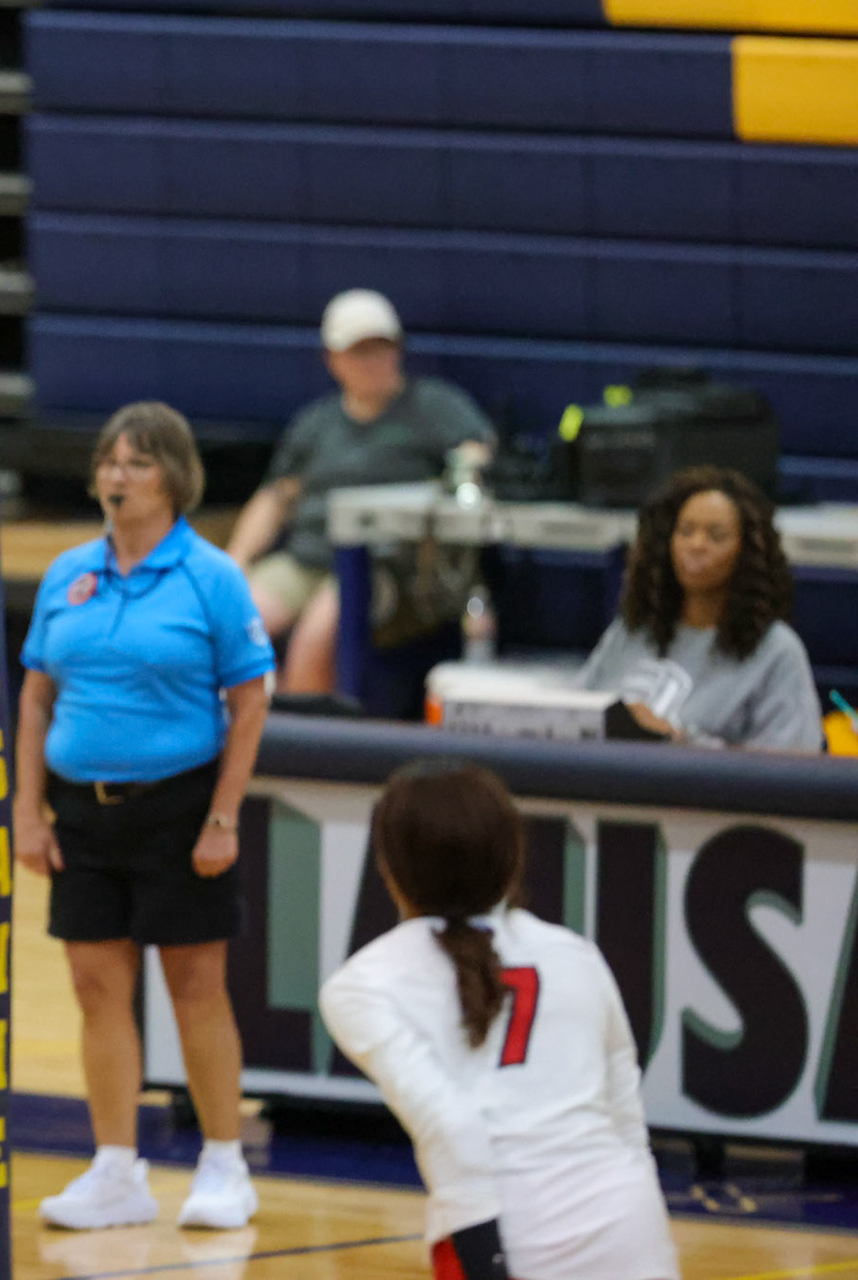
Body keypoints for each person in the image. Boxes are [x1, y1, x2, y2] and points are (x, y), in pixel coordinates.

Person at [13, 401, 276, 1232]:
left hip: (181, 810)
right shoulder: (68, 573)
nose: (115, 476)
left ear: (174, 479)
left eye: (136, 463)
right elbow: (36, 696)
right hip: (80, 814)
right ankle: (116, 1169)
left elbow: (250, 701)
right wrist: (27, 810)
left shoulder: (211, 577)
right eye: (108, 461)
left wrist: (224, 817)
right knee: (96, 988)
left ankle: (225, 1164)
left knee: (195, 987)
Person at [318, 761, 679, 1280]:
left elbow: (450, 1126)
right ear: (511, 856)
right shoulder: (576, 953)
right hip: (630, 1225)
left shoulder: (361, 983)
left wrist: (487, 1263)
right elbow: (625, 1113)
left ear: (390, 866)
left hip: (511, 1234)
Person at [226, 288, 496, 692]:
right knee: (225, 626)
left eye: (380, 348)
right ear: (332, 359)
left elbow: (479, 454)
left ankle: (307, 729)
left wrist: (468, 464)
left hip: (379, 566)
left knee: (314, 641)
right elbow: (275, 497)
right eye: (358, 351)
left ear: (398, 350)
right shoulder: (315, 422)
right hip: (304, 560)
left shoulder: (435, 406)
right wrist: (236, 560)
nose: (371, 362)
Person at [579, 465, 821, 751]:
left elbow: (792, 762)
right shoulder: (632, 629)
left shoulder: (777, 651)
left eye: (716, 536)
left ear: (748, 552)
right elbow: (576, 714)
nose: (696, 545)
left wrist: (678, 739)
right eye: (685, 531)